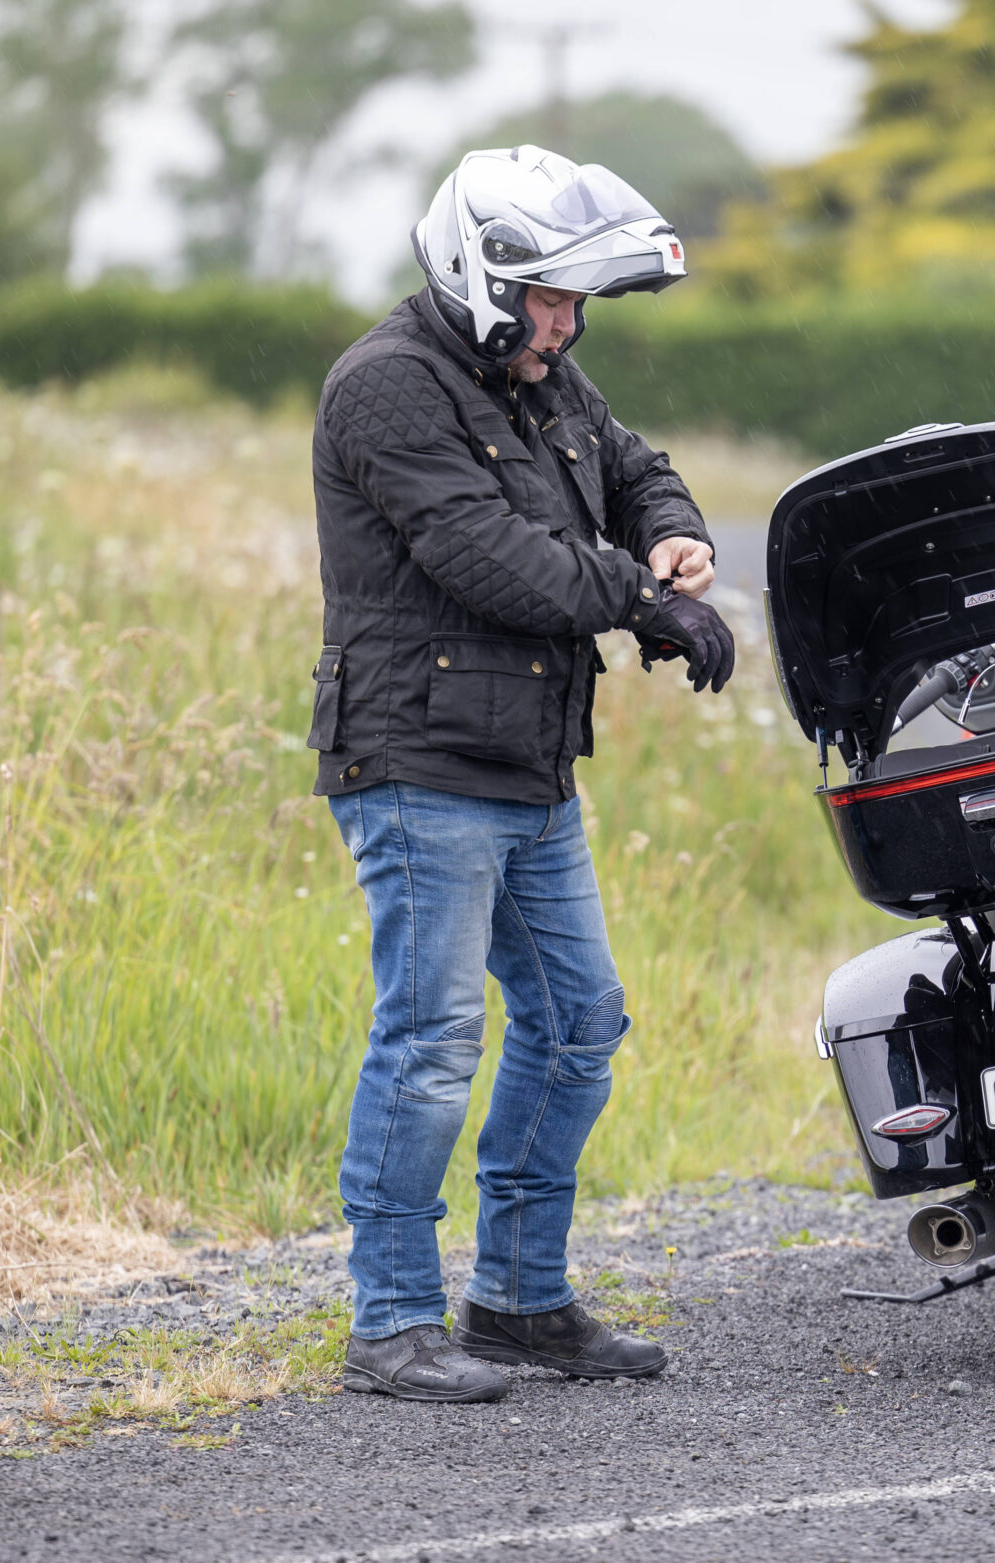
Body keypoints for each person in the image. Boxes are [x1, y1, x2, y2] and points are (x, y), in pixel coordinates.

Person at [306, 146, 737, 1404]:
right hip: (418, 760)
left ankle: (516, 1303)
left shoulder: (541, 376)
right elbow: (486, 557)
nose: (565, 323)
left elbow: (632, 463)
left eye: (572, 301)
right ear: (479, 273)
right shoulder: (386, 390)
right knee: (432, 1040)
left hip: (529, 763)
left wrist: (672, 534)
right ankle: (389, 1326)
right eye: (547, 300)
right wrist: (644, 606)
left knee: (576, 1024)